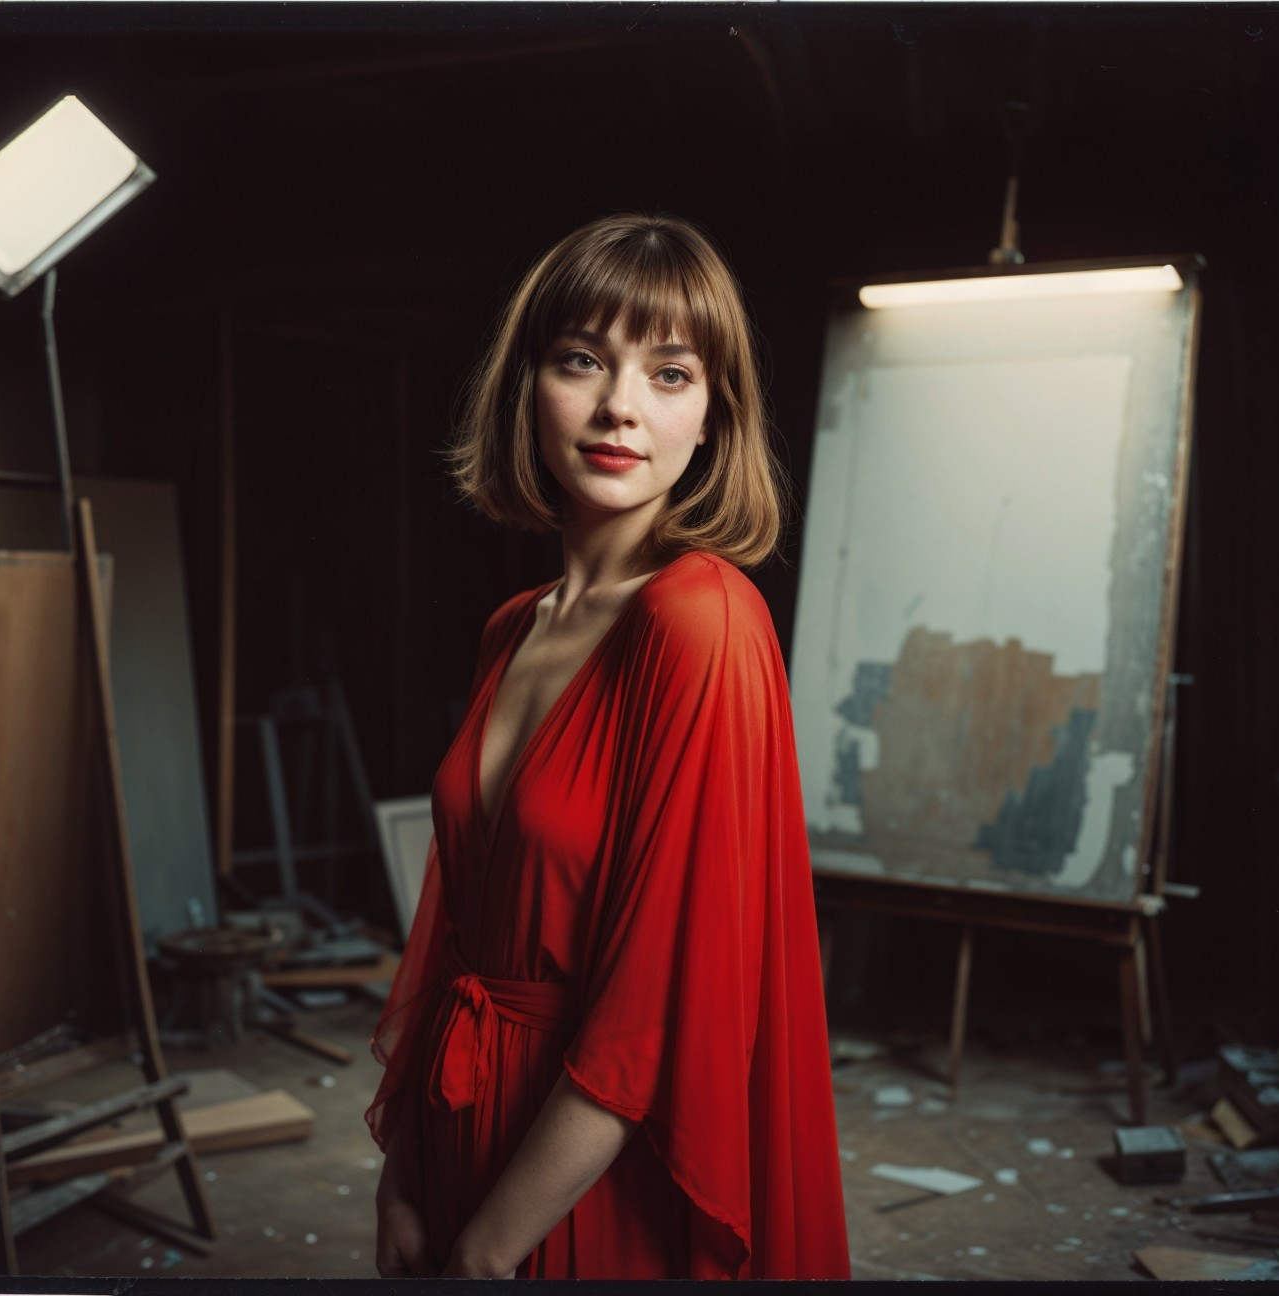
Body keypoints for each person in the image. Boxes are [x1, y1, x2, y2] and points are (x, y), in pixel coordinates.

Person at [364, 212, 850, 1280]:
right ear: (528, 386)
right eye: (582, 360)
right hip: (457, 1141)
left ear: (714, 418)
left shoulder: (701, 622)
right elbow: (456, 934)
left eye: (670, 374)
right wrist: (402, 1176)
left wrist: (488, 1252)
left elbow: (653, 1022)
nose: (620, 407)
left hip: (579, 1186)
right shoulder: (514, 625)